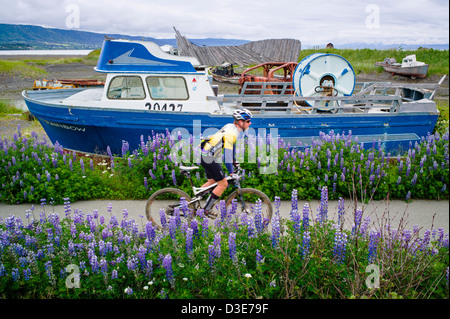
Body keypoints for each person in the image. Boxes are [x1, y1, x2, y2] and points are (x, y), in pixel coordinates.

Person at [200, 108, 252, 216]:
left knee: (212, 182)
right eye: (248, 121)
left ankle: (192, 202)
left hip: (206, 154)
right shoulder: (231, 133)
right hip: (209, 157)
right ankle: (206, 210)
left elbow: (231, 148)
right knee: (223, 184)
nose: (250, 123)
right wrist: (231, 173)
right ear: (241, 122)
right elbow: (227, 157)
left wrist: (234, 162)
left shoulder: (230, 127)